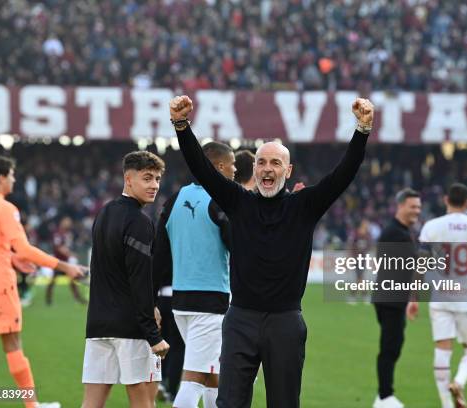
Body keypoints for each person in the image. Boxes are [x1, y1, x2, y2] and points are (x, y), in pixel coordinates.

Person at [169, 94, 374, 408]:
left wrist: (362, 130)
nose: (267, 169)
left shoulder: (304, 206)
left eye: (275, 162)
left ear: (287, 171)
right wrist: (182, 126)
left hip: (285, 323)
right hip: (240, 320)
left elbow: (343, 174)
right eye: (261, 162)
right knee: (230, 403)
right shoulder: (238, 201)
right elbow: (203, 169)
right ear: (253, 167)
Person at [0, 155, 85, 408]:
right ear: (1, 178)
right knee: (13, 345)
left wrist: (9, 256)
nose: (14, 179)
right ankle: (32, 406)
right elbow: (26, 250)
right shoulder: (6, 209)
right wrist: (64, 266)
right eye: (12, 175)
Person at [81, 151, 169, 408]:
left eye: (157, 178)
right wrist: (153, 335)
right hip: (131, 328)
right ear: (128, 179)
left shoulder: (104, 213)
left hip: (98, 325)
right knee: (143, 401)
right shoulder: (140, 222)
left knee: (91, 403)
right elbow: (139, 280)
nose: (154, 185)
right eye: (147, 178)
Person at [154, 141, 235, 408]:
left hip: (180, 302)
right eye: (232, 165)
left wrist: (152, 297)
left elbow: (160, 253)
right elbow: (237, 245)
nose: (235, 170)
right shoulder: (219, 199)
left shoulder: (175, 200)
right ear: (220, 166)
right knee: (195, 378)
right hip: (210, 301)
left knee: (213, 374)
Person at [415, 183, 467, 408]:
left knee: (442, 348)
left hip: (441, 297)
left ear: (446, 200)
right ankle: (459, 381)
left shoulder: (431, 226)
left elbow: (421, 263)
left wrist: (413, 296)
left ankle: (447, 404)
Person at [371, 188, 422, 408]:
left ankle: (383, 396)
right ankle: (384, 396)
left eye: (418, 207)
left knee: (394, 345)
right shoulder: (395, 233)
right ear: (400, 206)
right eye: (412, 206)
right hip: (390, 299)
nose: (416, 211)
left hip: (394, 298)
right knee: (390, 346)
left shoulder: (400, 231)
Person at [46, 216, 87, 305]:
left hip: (66, 262)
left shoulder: (67, 234)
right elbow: (58, 247)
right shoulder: (58, 233)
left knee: (72, 280)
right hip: (59, 262)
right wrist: (70, 254)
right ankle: (48, 299)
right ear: (62, 222)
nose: (68, 223)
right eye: (66, 221)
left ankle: (78, 298)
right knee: (53, 281)